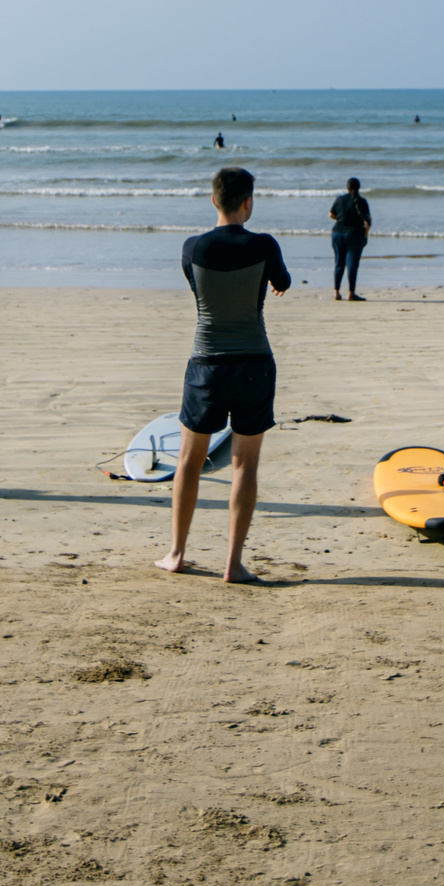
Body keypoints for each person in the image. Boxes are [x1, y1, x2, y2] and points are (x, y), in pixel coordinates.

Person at [160, 167, 290, 583]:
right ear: (248, 203)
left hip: (206, 365)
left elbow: (200, 290)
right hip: (254, 363)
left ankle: (177, 553)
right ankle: (233, 564)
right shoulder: (265, 245)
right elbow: (282, 282)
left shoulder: (192, 248)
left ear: (213, 200)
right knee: (244, 466)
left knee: (189, 461)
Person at [328, 177, 372, 301]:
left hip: (337, 233)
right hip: (355, 235)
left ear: (347, 187)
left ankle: (336, 293)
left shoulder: (340, 199)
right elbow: (368, 222)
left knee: (338, 263)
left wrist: (342, 220)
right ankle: (351, 293)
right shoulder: (362, 201)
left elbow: (331, 214)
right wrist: (365, 236)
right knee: (352, 265)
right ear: (359, 188)